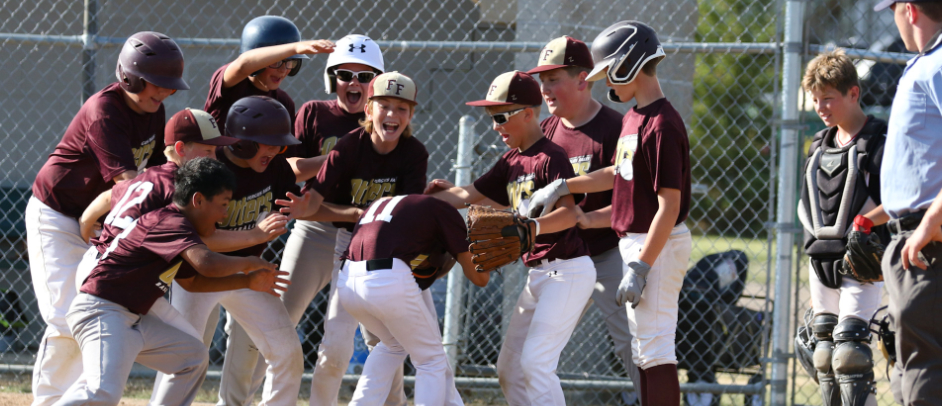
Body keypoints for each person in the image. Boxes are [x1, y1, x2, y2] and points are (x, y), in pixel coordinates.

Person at [220, 34, 399, 406]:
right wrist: (340, 159)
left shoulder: (388, 124)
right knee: (274, 320)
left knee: (374, 334)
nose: (355, 84)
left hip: (365, 239)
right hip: (315, 228)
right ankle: (237, 401)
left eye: (365, 77)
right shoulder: (315, 112)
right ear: (331, 77)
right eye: (346, 74)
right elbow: (288, 167)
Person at [527, 21, 692, 405]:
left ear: (628, 64)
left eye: (607, 73)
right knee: (644, 352)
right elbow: (619, 172)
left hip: (657, 245)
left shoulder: (663, 123)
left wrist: (641, 267)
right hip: (637, 243)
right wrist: (566, 185)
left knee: (655, 350)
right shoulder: (636, 117)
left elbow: (668, 207)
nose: (605, 83)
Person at [26, 31, 190, 406]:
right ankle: (49, 401)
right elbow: (130, 186)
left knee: (93, 314)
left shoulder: (153, 109)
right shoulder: (106, 109)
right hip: (57, 213)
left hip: (102, 219)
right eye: (156, 84)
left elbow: (148, 181)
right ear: (130, 77)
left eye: (169, 87)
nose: (164, 93)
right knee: (64, 315)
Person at [52, 157, 288, 406]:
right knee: (102, 393)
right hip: (102, 312)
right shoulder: (168, 221)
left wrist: (247, 282)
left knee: (192, 358)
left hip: (131, 319)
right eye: (222, 204)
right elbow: (208, 264)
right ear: (197, 200)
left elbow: (193, 283)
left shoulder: (182, 232)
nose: (224, 214)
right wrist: (250, 262)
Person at [151, 96, 336, 406]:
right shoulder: (209, 168)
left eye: (279, 145)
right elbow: (196, 239)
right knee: (185, 358)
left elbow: (291, 204)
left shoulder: (276, 169)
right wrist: (253, 234)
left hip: (247, 271)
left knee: (288, 353)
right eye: (267, 144)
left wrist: (304, 208)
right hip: (199, 274)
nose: (276, 151)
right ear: (243, 142)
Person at [424, 70, 595, 405]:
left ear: (528, 113)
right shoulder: (511, 161)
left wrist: (533, 229)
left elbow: (569, 213)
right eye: (491, 117)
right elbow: (467, 195)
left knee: (535, 363)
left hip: (568, 271)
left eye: (500, 116)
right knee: (510, 369)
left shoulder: (551, 156)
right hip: (540, 274)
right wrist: (414, 202)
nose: (494, 126)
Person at [278, 71, 429, 406]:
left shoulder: (414, 153)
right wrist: (312, 208)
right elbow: (315, 202)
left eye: (402, 108)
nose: (392, 115)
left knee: (387, 343)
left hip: (391, 255)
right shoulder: (348, 147)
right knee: (335, 348)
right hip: (348, 250)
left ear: (411, 114)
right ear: (368, 110)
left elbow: (406, 214)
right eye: (384, 105)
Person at [526, 35, 642, 404]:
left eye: (554, 79)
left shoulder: (615, 127)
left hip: (607, 253)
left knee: (632, 344)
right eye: (542, 81)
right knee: (529, 353)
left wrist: (586, 219)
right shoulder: (545, 132)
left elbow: (634, 204)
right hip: (561, 260)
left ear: (583, 79)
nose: (545, 89)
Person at [793, 49, 888, 406]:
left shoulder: (878, 141)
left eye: (828, 99)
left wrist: (868, 226)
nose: (821, 107)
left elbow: (900, 201)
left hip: (861, 259)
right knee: (824, 351)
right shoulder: (818, 146)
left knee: (849, 351)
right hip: (821, 260)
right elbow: (808, 206)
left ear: (853, 93)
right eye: (815, 100)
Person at [338, 194, 489, 405]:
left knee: (392, 345)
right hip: (386, 278)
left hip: (346, 281)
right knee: (431, 360)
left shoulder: (393, 205)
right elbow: (479, 278)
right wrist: (484, 252)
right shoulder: (443, 210)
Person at [873, 1, 942, 404]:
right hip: (912, 240)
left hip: (928, 246)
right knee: (907, 372)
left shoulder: (937, 63)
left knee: (924, 375)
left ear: (911, 10)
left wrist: (930, 221)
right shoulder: (924, 62)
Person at [204, 15, 333, 182]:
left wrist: (334, 158)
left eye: (291, 62)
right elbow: (243, 65)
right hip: (215, 183)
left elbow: (285, 166)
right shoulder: (231, 86)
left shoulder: (283, 103)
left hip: (254, 191)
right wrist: (293, 48)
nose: (284, 70)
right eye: (277, 61)